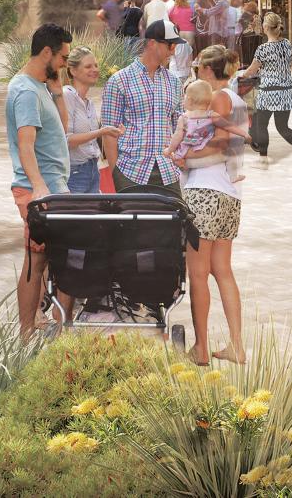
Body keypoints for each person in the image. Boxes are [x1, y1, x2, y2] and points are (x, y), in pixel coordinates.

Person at [181, 44, 249, 366]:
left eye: (198, 71)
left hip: (205, 192)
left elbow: (217, 145)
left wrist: (183, 157)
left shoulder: (219, 99)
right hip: (229, 196)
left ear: (208, 71)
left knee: (197, 274)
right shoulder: (237, 100)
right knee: (222, 270)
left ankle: (201, 348)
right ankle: (236, 345)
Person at [6, 23, 74, 339]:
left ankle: (35, 324)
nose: (64, 64)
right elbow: (25, 144)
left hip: (52, 187)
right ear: (46, 52)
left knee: (42, 258)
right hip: (39, 190)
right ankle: (26, 331)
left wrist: (57, 88)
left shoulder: (40, 87)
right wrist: (39, 188)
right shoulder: (24, 91)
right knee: (36, 260)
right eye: (62, 57)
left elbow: (62, 126)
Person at [101, 20, 184, 196]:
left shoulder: (175, 83)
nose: (173, 50)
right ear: (152, 43)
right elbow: (109, 132)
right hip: (130, 171)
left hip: (168, 172)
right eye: (170, 45)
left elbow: (180, 126)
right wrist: (117, 173)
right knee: (132, 224)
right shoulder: (119, 81)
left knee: (172, 223)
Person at [238, 13, 292, 173]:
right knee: (283, 126)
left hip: (268, 92)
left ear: (265, 28)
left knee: (261, 125)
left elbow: (251, 70)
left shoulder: (262, 49)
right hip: (285, 92)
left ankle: (263, 159)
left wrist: (240, 75)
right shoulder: (286, 44)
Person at [61, 46, 121, 193]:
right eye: (88, 66)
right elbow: (66, 140)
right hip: (75, 174)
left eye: (96, 65)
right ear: (73, 71)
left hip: (93, 170)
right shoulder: (67, 96)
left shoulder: (89, 103)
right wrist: (101, 131)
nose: (95, 69)